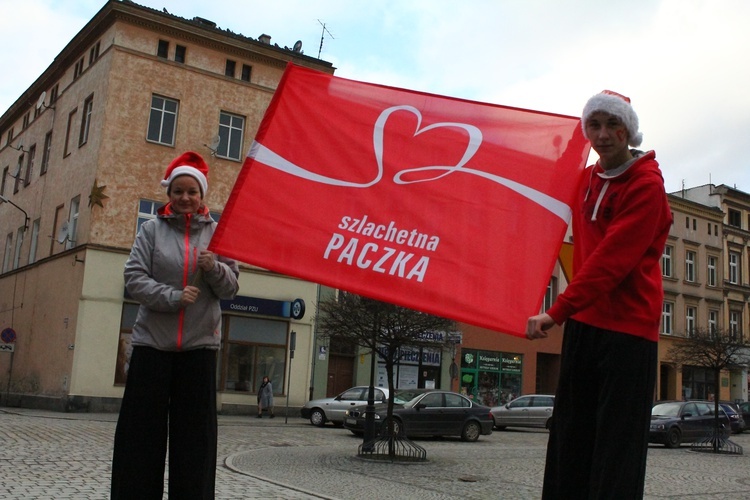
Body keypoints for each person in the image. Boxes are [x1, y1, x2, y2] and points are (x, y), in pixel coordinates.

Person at [526, 90, 672, 499]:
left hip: (628, 329)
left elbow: (611, 262)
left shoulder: (646, 187)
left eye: (613, 125)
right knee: (570, 432)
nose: (603, 134)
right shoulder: (586, 179)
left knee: (616, 444)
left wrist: (556, 311)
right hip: (586, 322)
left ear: (629, 131)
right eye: (595, 125)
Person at [111, 151, 239, 499]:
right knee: (140, 441)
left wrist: (214, 268)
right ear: (169, 195)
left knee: (195, 445)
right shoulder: (151, 230)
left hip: (199, 348)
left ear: (202, 196)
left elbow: (230, 289)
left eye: (192, 192)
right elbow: (133, 278)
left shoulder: (218, 234)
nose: (185, 198)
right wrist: (171, 297)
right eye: (178, 191)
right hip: (152, 345)